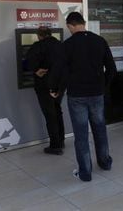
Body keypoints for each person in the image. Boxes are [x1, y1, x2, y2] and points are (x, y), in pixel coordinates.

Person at [50, 12, 116, 182]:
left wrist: (54, 89)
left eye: (68, 27)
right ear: (83, 23)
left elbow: (58, 71)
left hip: (77, 96)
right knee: (100, 130)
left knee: (81, 136)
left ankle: (85, 173)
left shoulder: (67, 45)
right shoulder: (99, 41)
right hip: (97, 94)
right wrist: (103, 86)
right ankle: (105, 163)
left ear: (71, 25)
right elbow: (111, 69)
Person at [26, 26, 65, 155]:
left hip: (44, 85)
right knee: (57, 110)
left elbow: (27, 63)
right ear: (50, 33)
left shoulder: (38, 46)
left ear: (39, 35)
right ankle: (61, 140)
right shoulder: (61, 45)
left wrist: (37, 70)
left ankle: (55, 146)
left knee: (50, 114)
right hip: (59, 85)